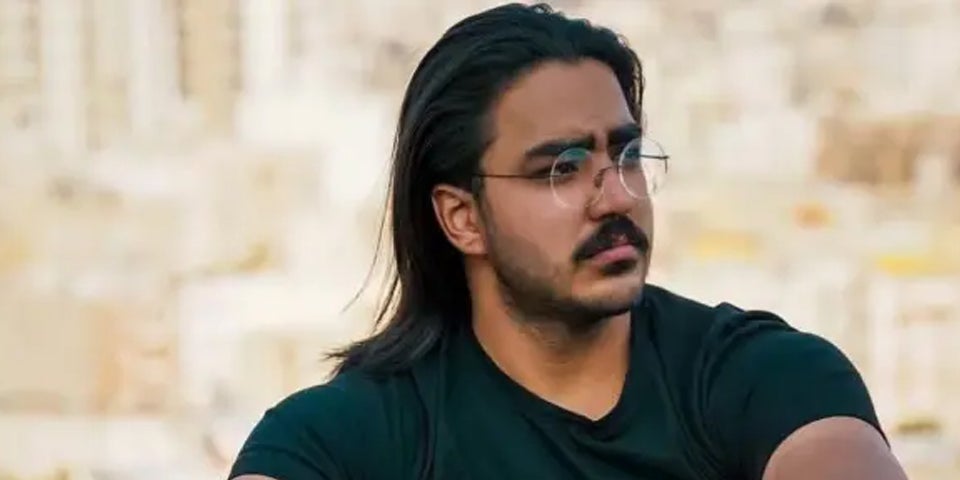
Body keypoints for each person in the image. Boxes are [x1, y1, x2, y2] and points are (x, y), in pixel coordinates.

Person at [230, 3, 908, 480]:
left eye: (627, 154)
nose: (615, 196)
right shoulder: (347, 439)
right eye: (560, 169)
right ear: (462, 218)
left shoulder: (760, 376)